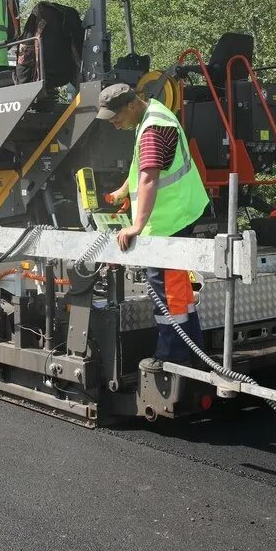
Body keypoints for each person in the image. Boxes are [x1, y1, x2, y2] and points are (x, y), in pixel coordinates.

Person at [99, 83, 211, 372]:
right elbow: (140, 169)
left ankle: (172, 357)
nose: (113, 123)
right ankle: (193, 348)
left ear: (132, 105)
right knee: (179, 290)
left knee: (165, 291)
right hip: (180, 214)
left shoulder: (151, 130)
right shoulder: (154, 114)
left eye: (115, 117)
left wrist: (136, 226)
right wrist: (125, 191)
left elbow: (149, 178)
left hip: (169, 221)